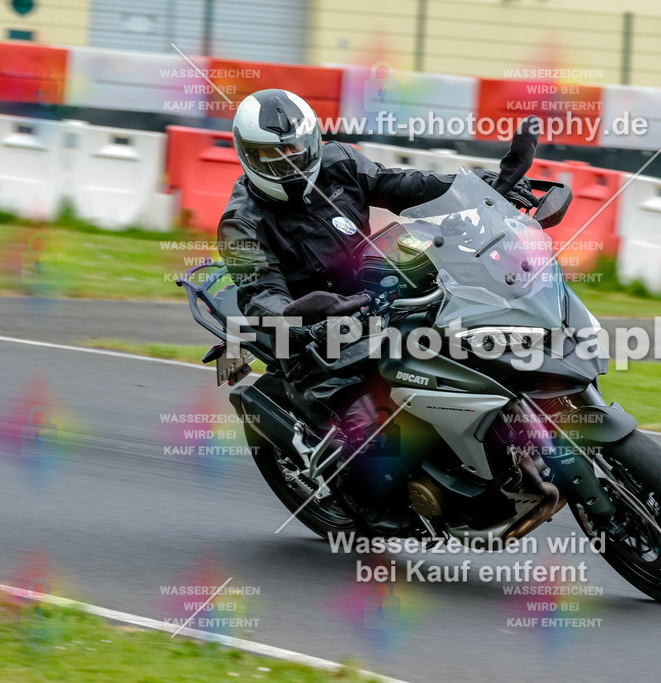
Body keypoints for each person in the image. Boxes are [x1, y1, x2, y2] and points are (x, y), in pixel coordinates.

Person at [217, 89, 532, 525]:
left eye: (294, 147)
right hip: (313, 331)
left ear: (311, 141)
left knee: (464, 341)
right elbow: (259, 294)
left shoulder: (339, 162)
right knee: (371, 435)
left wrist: (481, 186)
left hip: (375, 294)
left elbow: (402, 184)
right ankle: (375, 504)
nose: (288, 160)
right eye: (272, 153)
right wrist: (296, 315)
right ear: (248, 154)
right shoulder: (242, 222)